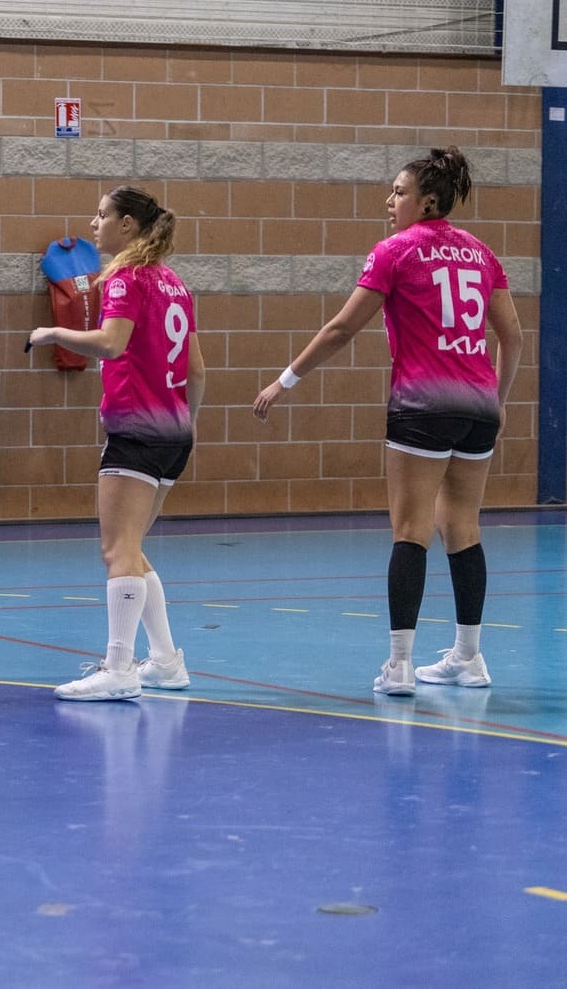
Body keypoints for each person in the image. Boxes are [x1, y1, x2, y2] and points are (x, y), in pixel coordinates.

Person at [253, 147, 521, 697]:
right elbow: (513, 336)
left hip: (423, 405)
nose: (388, 201)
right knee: (464, 527)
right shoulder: (481, 253)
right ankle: (469, 658)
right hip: (478, 407)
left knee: (410, 529)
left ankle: (399, 665)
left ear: (427, 201)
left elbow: (341, 329)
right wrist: (499, 400)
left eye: (398, 192)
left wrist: (285, 380)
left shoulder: (395, 251)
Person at [28, 186, 205, 702]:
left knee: (116, 551)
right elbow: (196, 371)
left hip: (136, 432)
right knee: (133, 548)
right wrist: (183, 425)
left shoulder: (127, 278)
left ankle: (120, 668)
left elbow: (111, 342)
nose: (94, 222)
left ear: (128, 225)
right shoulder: (174, 283)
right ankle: (168, 662)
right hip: (174, 433)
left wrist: (51, 333)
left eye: (102, 215)